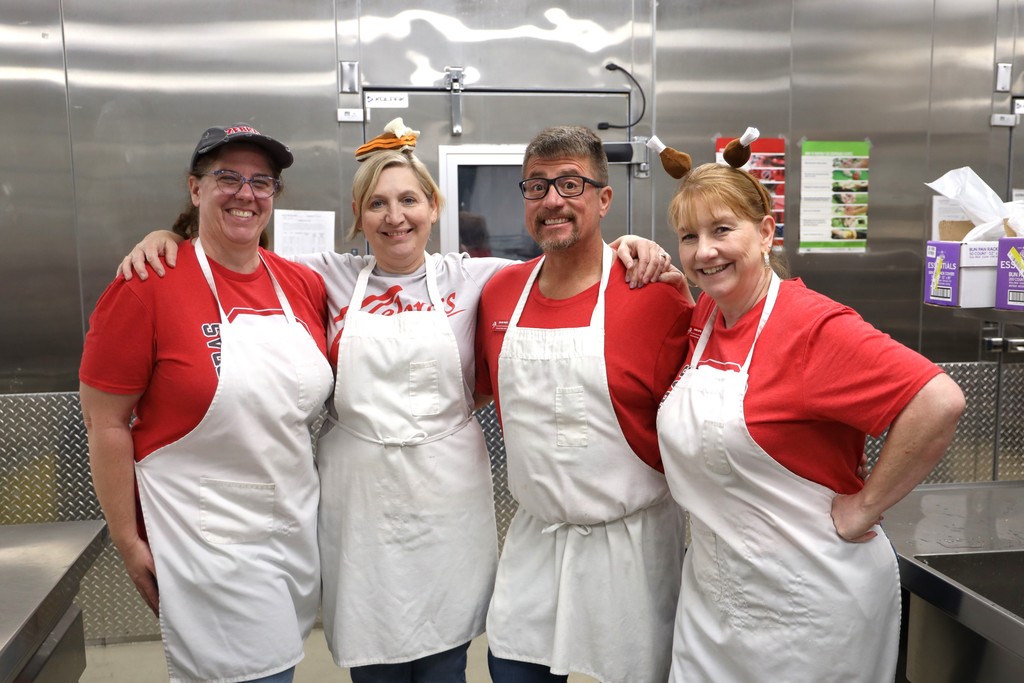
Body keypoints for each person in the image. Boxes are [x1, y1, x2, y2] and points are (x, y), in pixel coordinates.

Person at [118, 119, 674, 683]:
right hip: (361, 505)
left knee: (446, 660)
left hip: (447, 500)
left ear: (433, 206)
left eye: (409, 199)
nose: (395, 216)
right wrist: (169, 240)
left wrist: (629, 246)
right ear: (358, 216)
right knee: (374, 658)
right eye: (377, 203)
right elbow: (233, 256)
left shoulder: (481, 278)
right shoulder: (319, 278)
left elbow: (568, 265)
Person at [656, 156, 966, 682]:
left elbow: (938, 401)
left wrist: (865, 506)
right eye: (689, 237)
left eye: (722, 230)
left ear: (765, 233)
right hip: (715, 600)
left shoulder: (812, 326)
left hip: (809, 606)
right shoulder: (708, 316)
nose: (704, 251)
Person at [80, 124, 332, 683]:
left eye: (262, 182)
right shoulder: (147, 284)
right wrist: (127, 539)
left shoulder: (302, 284)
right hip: (202, 540)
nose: (246, 193)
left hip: (292, 529)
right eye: (228, 178)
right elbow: (104, 422)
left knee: (277, 668)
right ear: (195, 189)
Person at [474, 125, 693, 683]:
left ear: (604, 198)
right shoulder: (499, 293)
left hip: (632, 552)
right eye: (537, 186)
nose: (553, 200)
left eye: (571, 184)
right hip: (535, 543)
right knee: (512, 669)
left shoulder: (655, 295)